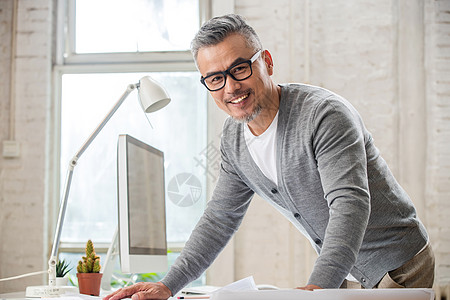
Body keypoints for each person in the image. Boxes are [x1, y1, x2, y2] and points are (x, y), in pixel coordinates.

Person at [104, 14, 434, 300]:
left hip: (399, 268)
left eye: (240, 69)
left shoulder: (324, 115)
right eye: (216, 79)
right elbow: (219, 219)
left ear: (267, 62)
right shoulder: (234, 140)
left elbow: (350, 204)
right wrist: (167, 285)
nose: (230, 88)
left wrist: (319, 286)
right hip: (345, 272)